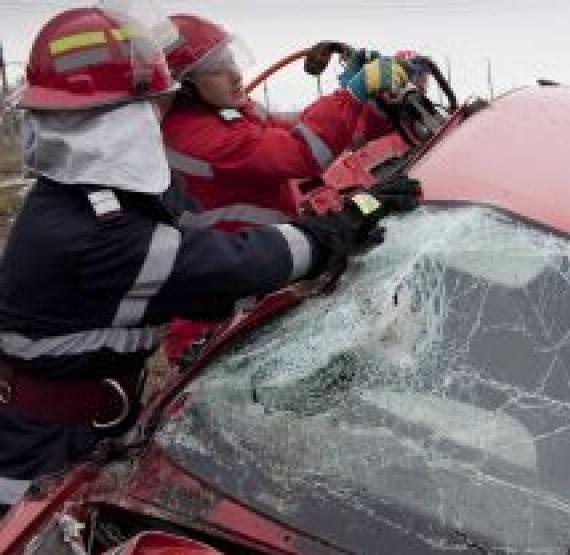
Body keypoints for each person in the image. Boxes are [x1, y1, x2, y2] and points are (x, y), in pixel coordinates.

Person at [0, 6, 414, 512]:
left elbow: (279, 145)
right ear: (122, 119)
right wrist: (345, 223)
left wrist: (362, 105)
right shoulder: (98, 233)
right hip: (36, 460)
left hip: (75, 428)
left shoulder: (77, 200)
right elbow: (232, 264)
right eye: (152, 107)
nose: (157, 121)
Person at [160, 14, 410, 361]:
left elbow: (302, 133)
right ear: (185, 85)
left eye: (231, 59)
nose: (235, 74)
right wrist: (352, 94)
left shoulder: (229, 116)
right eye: (217, 69)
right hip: (218, 322)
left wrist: (371, 106)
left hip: (257, 281)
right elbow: (303, 153)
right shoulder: (199, 138)